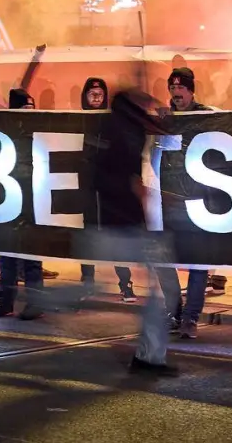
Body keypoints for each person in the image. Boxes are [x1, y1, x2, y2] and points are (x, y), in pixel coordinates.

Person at [93, 89, 178, 376]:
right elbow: (104, 177)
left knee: (158, 288)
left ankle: (150, 357)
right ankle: (149, 357)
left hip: (123, 222)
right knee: (160, 288)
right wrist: (132, 189)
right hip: (120, 223)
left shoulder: (123, 128)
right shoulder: (121, 132)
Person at [158, 66, 224, 338]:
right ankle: (174, 312)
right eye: (172, 88)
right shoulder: (163, 118)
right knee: (163, 260)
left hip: (198, 200)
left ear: (191, 91)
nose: (176, 93)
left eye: (181, 88)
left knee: (198, 261)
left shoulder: (206, 115)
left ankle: (190, 318)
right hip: (169, 200)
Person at [0, 86, 48, 320]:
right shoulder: (5, 131)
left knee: (31, 254)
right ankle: (5, 302)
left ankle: (35, 303)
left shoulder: (39, 130)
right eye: (25, 107)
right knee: (7, 255)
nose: (30, 111)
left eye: (32, 107)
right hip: (9, 198)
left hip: (32, 198)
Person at [78, 77, 136, 303]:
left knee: (115, 236)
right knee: (88, 235)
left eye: (100, 94)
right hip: (88, 188)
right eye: (92, 93)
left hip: (111, 190)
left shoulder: (112, 123)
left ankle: (125, 283)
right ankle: (87, 282)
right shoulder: (77, 121)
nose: (96, 97)